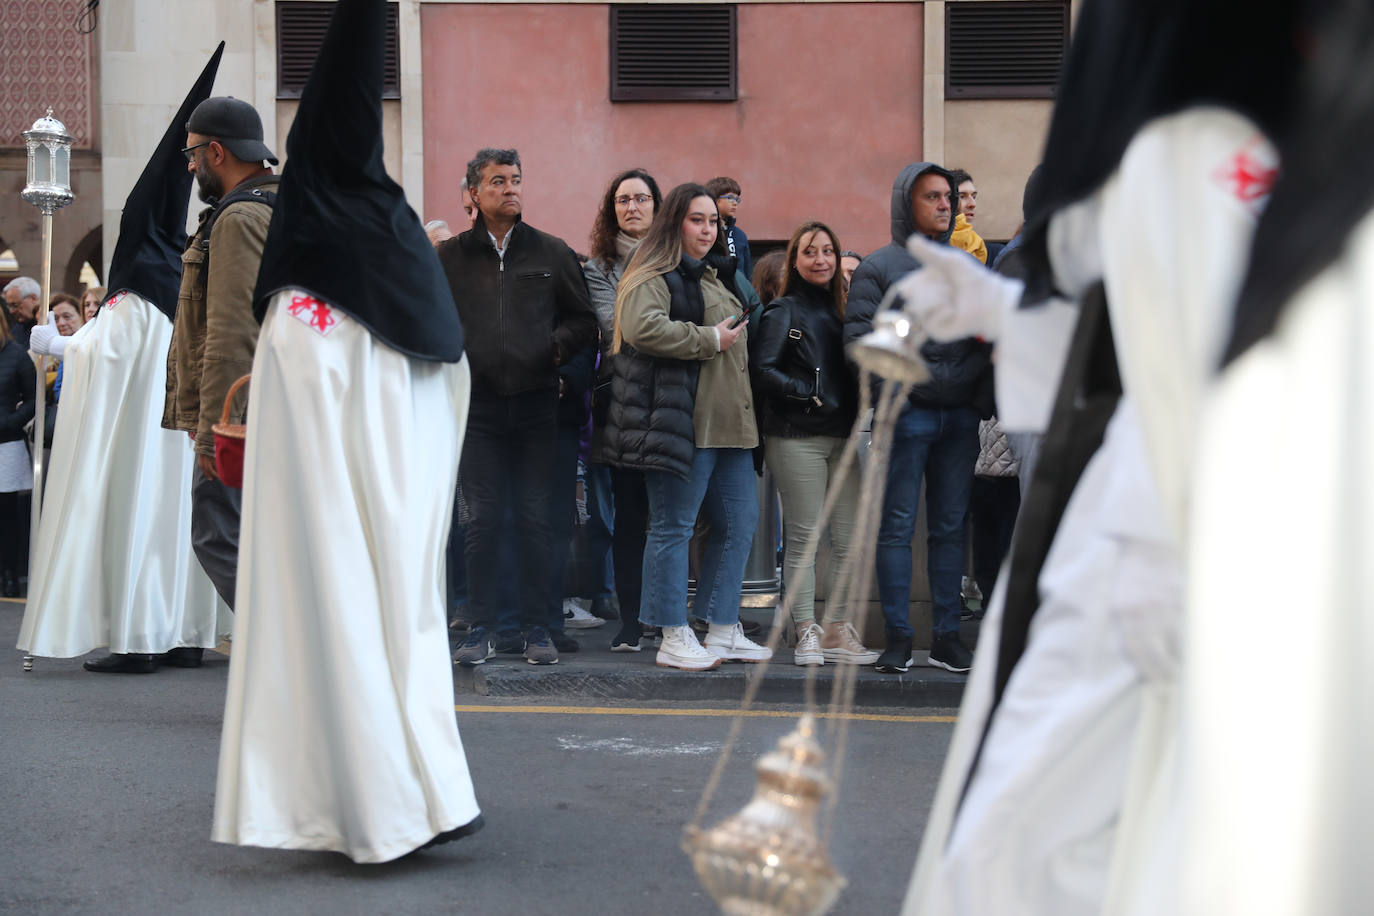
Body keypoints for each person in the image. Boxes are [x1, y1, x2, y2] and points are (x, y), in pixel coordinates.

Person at [897, 1, 1306, 912]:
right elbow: (1132, 331)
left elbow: (1219, 352)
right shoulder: (1195, 152)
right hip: (1133, 505)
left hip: (1151, 521)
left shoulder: (1195, 148)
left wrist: (1171, 549)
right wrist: (1006, 313)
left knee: (1030, 836)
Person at [214, 0, 481, 862]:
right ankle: (418, 792)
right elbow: (444, 376)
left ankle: (380, 803)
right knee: (400, 617)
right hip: (402, 496)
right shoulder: (392, 248)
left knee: (335, 608)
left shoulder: (304, 303)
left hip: (335, 500)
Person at [17, 46, 229, 674]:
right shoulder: (181, 269)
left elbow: (106, 353)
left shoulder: (138, 280)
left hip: (145, 438)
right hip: (179, 433)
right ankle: (187, 634)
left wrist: (52, 344)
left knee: (142, 520)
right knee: (179, 523)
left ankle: (139, 641)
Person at [600, 183, 771, 670]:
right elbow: (641, 327)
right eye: (697, 220)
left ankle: (720, 629)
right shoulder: (651, 272)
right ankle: (672, 633)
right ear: (674, 222)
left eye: (713, 221)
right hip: (684, 421)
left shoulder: (718, 275)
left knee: (739, 524)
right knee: (672, 527)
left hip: (731, 422)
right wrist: (708, 337)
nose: (707, 229)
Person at [438, 148, 598, 667]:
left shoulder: (551, 253)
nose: (510, 189)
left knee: (536, 520)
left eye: (516, 180)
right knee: (482, 520)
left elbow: (583, 323)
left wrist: (550, 353)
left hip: (536, 408)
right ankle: (480, 627)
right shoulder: (451, 258)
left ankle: (538, 629)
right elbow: (430, 322)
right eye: (498, 181)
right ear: (474, 194)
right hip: (478, 409)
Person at [844, 162, 991, 675]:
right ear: (908, 203)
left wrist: (972, 395)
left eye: (947, 196)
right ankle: (900, 639)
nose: (945, 205)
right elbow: (863, 343)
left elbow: (988, 335)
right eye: (932, 197)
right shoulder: (879, 269)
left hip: (959, 421)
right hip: (907, 419)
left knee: (950, 530)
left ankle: (948, 639)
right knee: (897, 528)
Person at [163, 93, 280, 610]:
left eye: (191, 155)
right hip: (275, 410)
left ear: (216, 152)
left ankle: (281, 652)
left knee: (220, 537)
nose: (189, 166)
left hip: (245, 420)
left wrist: (213, 432)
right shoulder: (282, 203)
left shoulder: (237, 218)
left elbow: (232, 335)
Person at [751, 221, 877, 666]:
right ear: (795, 260)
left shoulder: (848, 312)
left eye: (827, 251)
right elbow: (762, 371)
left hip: (843, 435)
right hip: (797, 435)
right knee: (804, 538)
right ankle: (805, 628)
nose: (821, 259)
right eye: (810, 252)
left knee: (849, 539)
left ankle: (837, 629)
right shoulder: (784, 310)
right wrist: (808, 391)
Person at [585, 167, 663, 650]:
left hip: (677, 401)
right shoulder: (599, 269)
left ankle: (668, 615)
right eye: (622, 201)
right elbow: (619, 328)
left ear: (658, 206)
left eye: (641, 198)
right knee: (632, 516)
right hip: (623, 401)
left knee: (673, 519)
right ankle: (632, 621)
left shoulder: (679, 259)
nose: (631, 207)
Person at [0, 305, 35, 598]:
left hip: (7, 447)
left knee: (8, 516)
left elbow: (35, 397)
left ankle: (11, 575)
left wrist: (11, 423)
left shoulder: (16, 355)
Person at [705, 176, 751, 280]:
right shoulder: (707, 232)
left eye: (737, 199)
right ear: (714, 199)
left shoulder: (740, 235)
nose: (735, 203)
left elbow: (747, 272)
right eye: (730, 198)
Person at [948, 168, 988, 265]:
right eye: (962, 196)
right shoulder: (929, 240)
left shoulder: (977, 244)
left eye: (974, 197)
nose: (973, 204)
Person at [3, 277, 40, 348]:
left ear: (33, 298)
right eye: (9, 306)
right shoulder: (16, 329)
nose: (11, 311)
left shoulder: (50, 325)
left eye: (15, 305)